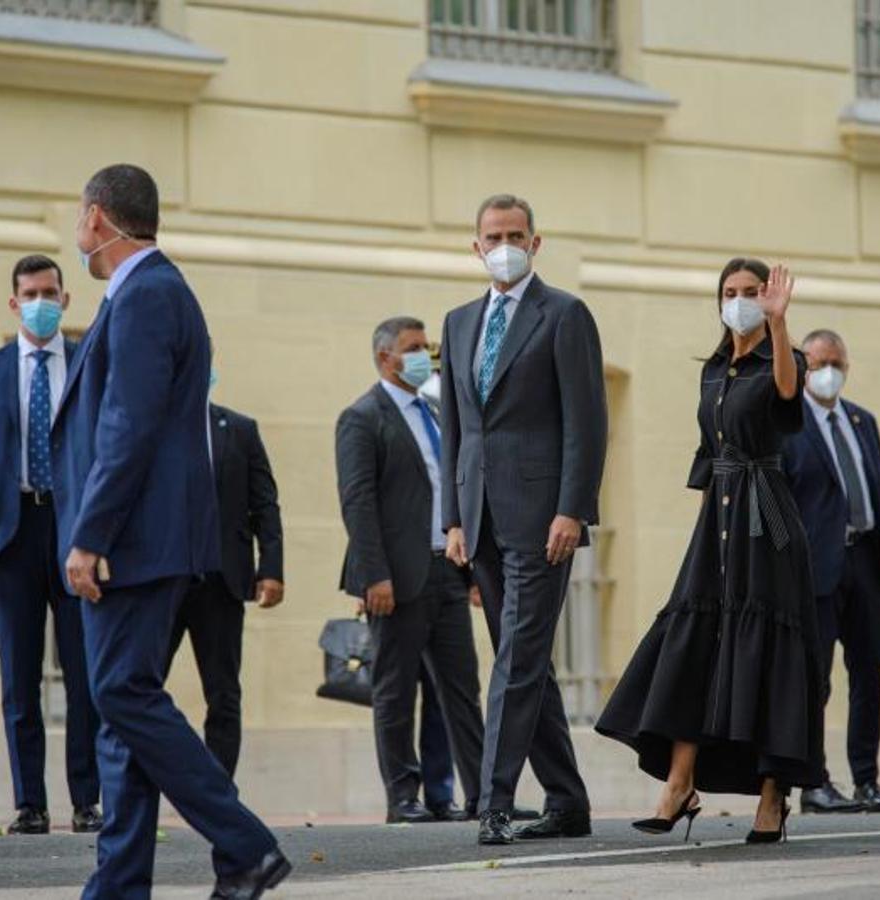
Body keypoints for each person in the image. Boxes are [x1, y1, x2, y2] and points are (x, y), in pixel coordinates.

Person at [53, 164, 287, 900]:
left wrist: (90, 534)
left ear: (97, 218)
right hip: (145, 538)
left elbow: (128, 426)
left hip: (133, 542)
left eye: (78, 218)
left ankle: (246, 846)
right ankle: (119, 885)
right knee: (127, 710)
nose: (77, 230)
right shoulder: (149, 292)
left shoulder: (149, 294)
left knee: (122, 694)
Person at [596, 257, 822, 846]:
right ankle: (678, 784)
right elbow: (709, 449)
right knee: (694, 647)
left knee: (768, 654)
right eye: (731, 291)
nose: (741, 299)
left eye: (752, 292)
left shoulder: (784, 357)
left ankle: (774, 796)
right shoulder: (713, 371)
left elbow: (787, 393)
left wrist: (777, 325)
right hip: (716, 524)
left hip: (766, 526)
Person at [438, 195, 607, 846]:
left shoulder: (564, 315)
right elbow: (455, 427)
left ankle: (494, 802)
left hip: (544, 521)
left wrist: (573, 508)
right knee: (527, 659)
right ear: (474, 246)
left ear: (536, 243)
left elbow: (586, 424)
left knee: (513, 658)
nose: (503, 244)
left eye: (515, 234)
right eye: (492, 235)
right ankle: (567, 800)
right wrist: (450, 519)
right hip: (478, 517)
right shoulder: (456, 323)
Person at [0, 254, 102, 836]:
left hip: (74, 536)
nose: (40, 301)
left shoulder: (89, 363)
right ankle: (30, 804)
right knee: (19, 678)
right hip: (9, 539)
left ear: (65, 299)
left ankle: (87, 801)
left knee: (84, 674)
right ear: (14, 303)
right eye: (30, 293)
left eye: (50, 291)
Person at [336, 316, 486, 825]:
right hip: (394, 579)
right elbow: (358, 504)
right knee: (395, 691)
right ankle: (404, 796)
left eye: (426, 346)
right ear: (385, 357)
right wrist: (372, 575)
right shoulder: (362, 417)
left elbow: (456, 490)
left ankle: (479, 795)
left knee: (460, 690)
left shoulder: (438, 411)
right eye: (413, 348)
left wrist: (472, 571)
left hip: (447, 569)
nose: (425, 355)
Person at [782, 329, 880, 814]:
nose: (827, 372)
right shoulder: (789, 426)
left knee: (869, 675)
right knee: (816, 679)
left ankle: (866, 780)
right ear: (803, 367)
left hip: (866, 564)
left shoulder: (862, 421)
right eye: (817, 364)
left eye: (836, 363)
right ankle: (814, 781)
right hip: (816, 569)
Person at [163, 386, 285, 779]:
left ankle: (218, 791)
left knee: (224, 695)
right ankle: (135, 790)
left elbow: (264, 503)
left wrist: (271, 568)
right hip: (163, 579)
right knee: (141, 688)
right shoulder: (150, 424)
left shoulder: (239, 429)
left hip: (223, 580)